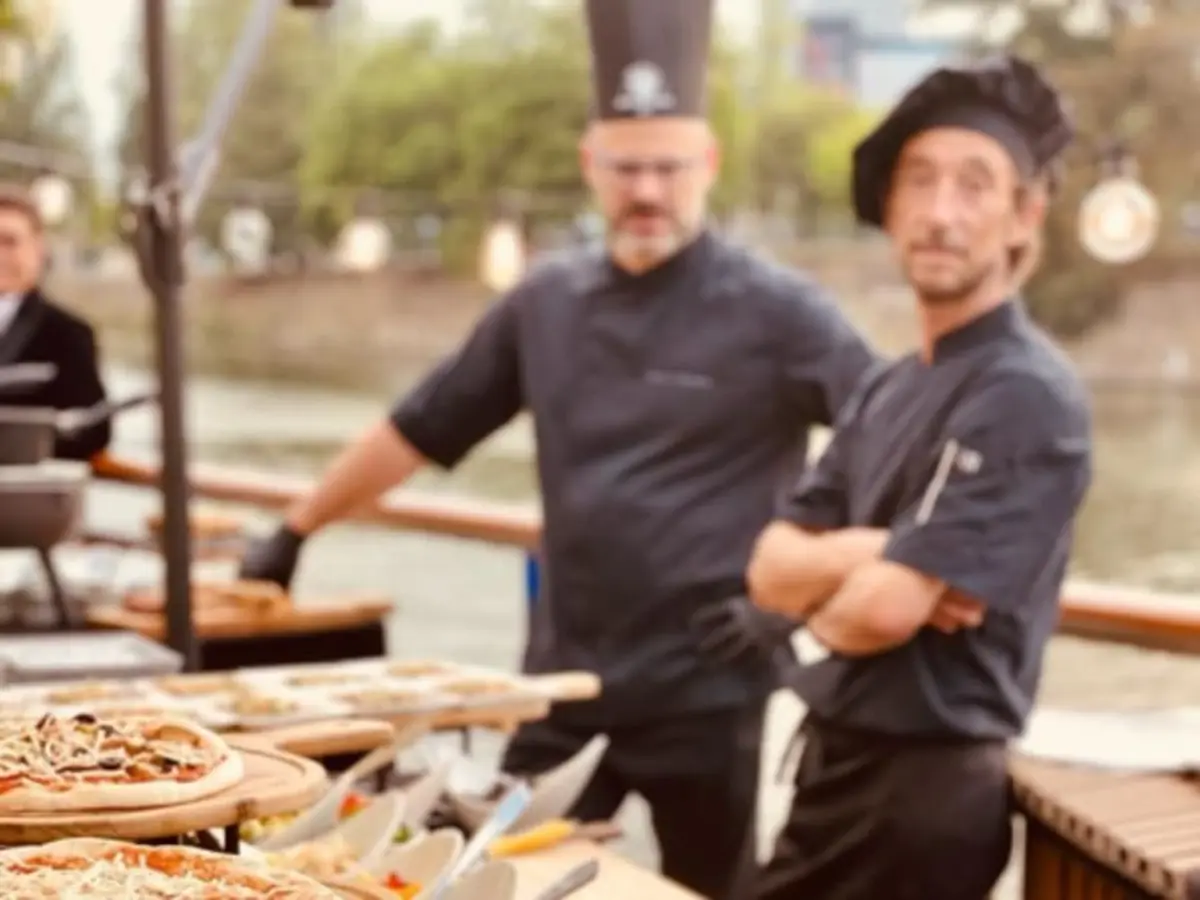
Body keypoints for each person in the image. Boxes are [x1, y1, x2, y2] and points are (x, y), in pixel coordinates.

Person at [240, 0, 876, 894]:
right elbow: (418, 427)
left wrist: (799, 596)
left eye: (667, 167)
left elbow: (889, 436)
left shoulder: (780, 311)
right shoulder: (544, 304)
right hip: (563, 684)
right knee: (497, 878)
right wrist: (297, 528)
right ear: (590, 165)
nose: (646, 191)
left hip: (716, 686)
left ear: (708, 165)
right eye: (625, 168)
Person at [745, 55, 1092, 900]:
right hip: (831, 772)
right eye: (919, 181)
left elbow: (883, 612)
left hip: (924, 801)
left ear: (1024, 216)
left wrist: (858, 582)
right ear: (889, 207)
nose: (941, 212)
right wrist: (884, 548)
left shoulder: (1025, 394)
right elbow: (766, 568)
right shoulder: (886, 386)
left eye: (976, 186)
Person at [0, 184, 111, 461]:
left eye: (10, 242)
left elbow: (94, 429)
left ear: (39, 249)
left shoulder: (68, 334)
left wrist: (23, 444)